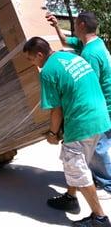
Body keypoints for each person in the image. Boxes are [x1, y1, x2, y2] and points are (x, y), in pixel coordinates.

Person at [23, 37, 111, 227]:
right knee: (77, 161)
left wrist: (53, 134)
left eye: (31, 60)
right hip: (100, 116)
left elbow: (56, 109)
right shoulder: (71, 56)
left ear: (39, 55)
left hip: (82, 122)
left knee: (76, 166)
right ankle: (71, 197)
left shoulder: (47, 71)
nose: (32, 64)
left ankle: (100, 218)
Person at [46, 11, 111, 196]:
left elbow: (89, 86)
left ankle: (107, 183)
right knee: (97, 148)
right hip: (106, 103)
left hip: (105, 106)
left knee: (99, 148)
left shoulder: (90, 54)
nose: (73, 26)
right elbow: (67, 42)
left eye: (75, 23)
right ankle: (99, 179)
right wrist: (57, 26)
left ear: (81, 24)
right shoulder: (94, 44)